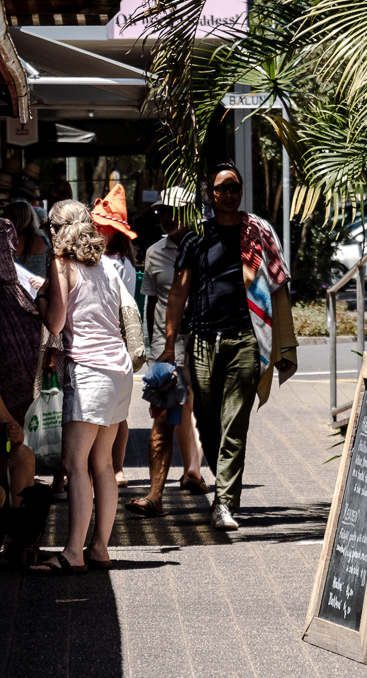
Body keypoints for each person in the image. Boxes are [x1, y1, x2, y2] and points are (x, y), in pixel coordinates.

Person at [160, 162, 297, 531]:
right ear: (210, 193)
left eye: (235, 187)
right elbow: (178, 294)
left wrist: (282, 344)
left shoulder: (257, 233)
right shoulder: (196, 238)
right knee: (207, 422)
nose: (229, 194)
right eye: (222, 188)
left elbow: (277, 288)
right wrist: (169, 345)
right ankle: (222, 487)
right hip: (203, 339)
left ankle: (224, 502)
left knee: (235, 423)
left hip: (245, 339)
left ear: (240, 190)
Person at [31, 201, 133, 573]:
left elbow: (56, 323)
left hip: (90, 373)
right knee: (102, 464)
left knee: (74, 463)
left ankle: (73, 552)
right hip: (119, 370)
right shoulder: (105, 263)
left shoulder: (62, 264)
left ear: (57, 230)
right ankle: (99, 548)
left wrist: (41, 298)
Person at [126, 188, 206, 516]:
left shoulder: (208, 246)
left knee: (209, 417)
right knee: (162, 420)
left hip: (204, 346)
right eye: (161, 211)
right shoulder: (155, 252)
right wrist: (154, 347)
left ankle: (202, 478)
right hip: (166, 351)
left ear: (189, 213)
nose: (166, 217)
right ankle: (155, 495)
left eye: (173, 211)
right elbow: (152, 303)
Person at [90, 184, 139, 487]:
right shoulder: (122, 262)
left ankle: (114, 467)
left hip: (111, 343)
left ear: (115, 232)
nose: (97, 229)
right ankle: (113, 468)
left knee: (113, 414)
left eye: (102, 226)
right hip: (112, 345)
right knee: (115, 413)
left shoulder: (114, 264)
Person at [0, 216, 44, 514]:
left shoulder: (16, 289)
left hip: (10, 413)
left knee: (23, 456)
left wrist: (11, 425)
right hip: (8, 412)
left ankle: (17, 528)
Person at [4, 200, 49, 282]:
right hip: (39, 288)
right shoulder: (44, 241)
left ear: (15, 220)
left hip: (12, 289)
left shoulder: (6, 242)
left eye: (5, 217)